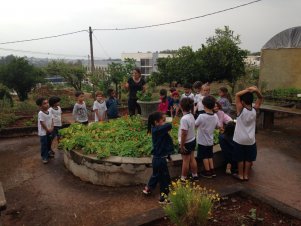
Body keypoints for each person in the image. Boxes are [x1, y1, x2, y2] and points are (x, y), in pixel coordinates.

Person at [233, 86, 263, 181]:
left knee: (240, 159)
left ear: (242, 102)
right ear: (251, 101)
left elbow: (237, 95)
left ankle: (240, 175)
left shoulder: (241, 109)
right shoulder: (254, 110)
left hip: (239, 139)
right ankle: (246, 176)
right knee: (249, 159)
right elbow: (260, 98)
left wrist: (247, 90)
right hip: (250, 140)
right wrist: (256, 91)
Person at [142, 112, 174, 203]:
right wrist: (166, 121)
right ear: (156, 122)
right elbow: (169, 126)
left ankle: (149, 189)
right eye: (163, 120)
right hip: (159, 160)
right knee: (164, 180)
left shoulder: (158, 129)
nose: (164, 122)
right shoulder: (157, 130)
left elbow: (164, 143)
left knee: (162, 177)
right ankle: (163, 198)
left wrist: (168, 156)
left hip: (159, 159)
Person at [195, 96, 219, 178]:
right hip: (210, 140)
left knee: (205, 157)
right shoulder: (215, 116)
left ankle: (208, 172)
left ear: (204, 105)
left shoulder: (202, 116)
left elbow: (195, 124)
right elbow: (217, 126)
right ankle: (213, 171)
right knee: (210, 156)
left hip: (202, 140)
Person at [178, 98, 198, 181]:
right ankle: (195, 175)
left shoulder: (184, 119)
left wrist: (182, 146)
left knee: (185, 161)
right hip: (192, 140)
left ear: (181, 106)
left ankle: (183, 178)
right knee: (192, 158)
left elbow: (184, 133)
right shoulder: (191, 115)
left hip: (186, 143)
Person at [36, 97, 53, 164]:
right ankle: (44, 157)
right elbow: (42, 123)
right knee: (44, 144)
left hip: (49, 130)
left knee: (49, 143)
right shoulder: (40, 113)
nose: (47, 104)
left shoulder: (49, 111)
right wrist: (47, 129)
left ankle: (48, 153)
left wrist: (52, 127)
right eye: (44, 103)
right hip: (43, 132)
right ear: (40, 106)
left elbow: (52, 119)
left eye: (47, 103)